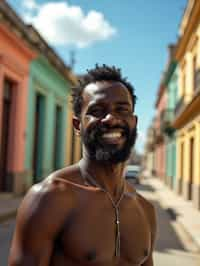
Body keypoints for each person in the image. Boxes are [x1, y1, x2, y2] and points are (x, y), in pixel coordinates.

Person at [9, 64, 157, 266]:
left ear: (134, 122)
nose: (111, 118)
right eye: (97, 110)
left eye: (122, 109)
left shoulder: (145, 209)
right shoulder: (50, 198)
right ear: (78, 126)